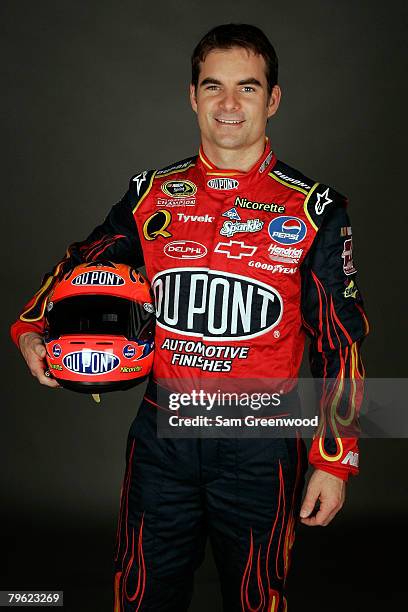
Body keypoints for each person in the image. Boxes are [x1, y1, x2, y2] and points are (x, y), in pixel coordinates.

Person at [11, 23, 369, 612]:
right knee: (139, 592)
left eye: (247, 88)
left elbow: (341, 341)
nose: (229, 104)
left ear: (273, 99)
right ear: (193, 96)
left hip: (261, 440)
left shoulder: (315, 206)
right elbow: (82, 262)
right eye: (214, 87)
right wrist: (30, 328)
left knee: (257, 598)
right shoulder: (151, 191)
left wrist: (334, 460)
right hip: (162, 436)